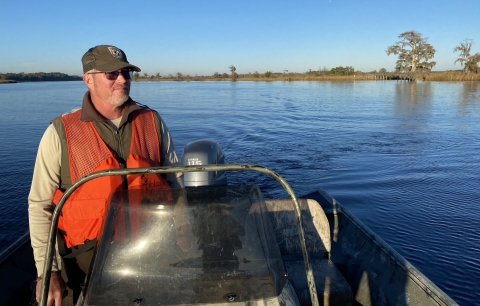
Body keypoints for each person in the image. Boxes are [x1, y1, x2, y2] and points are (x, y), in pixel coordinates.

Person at [28, 45, 188, 306]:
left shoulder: (153, 121)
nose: (123, 79)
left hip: (152, 250)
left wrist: (183, 236)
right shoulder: (60, 132)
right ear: (88, 79)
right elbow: (40, 206)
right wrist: (49, 272)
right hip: (87, 263)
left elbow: (175, 185)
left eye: (126, 72)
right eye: (111, 74)